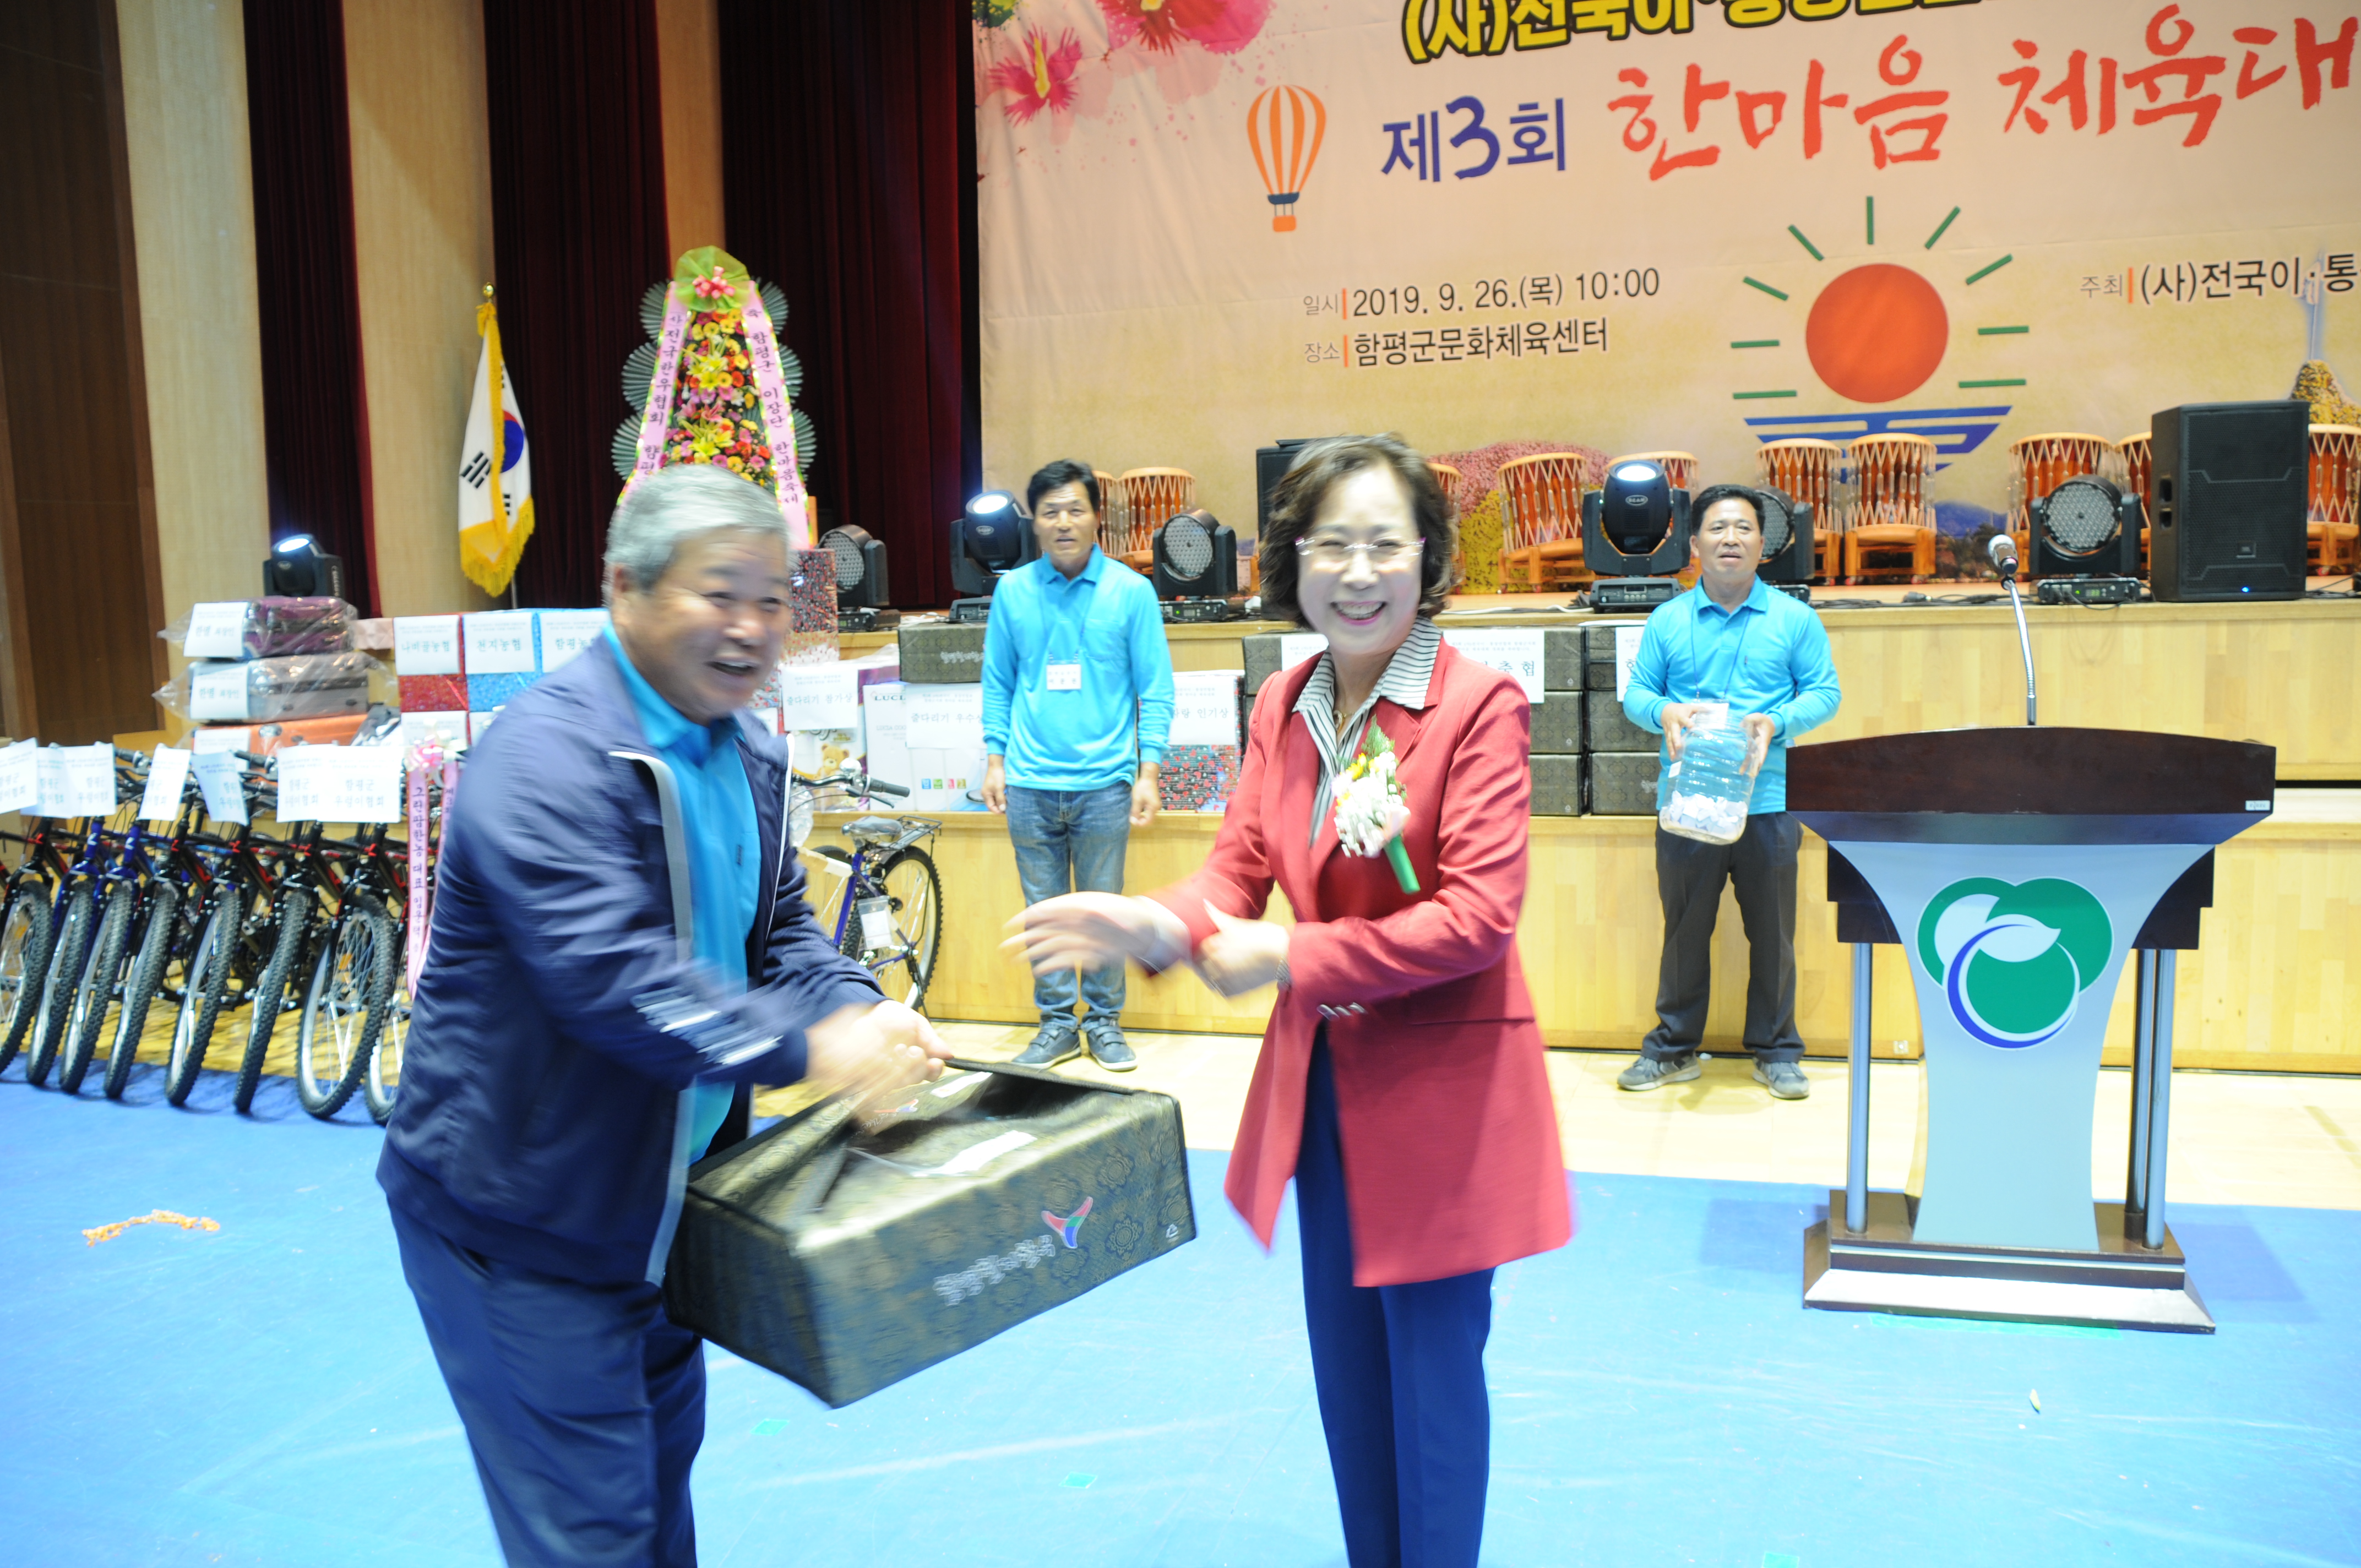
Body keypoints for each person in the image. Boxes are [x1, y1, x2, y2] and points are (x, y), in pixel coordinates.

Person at [1004, 435, 1570, 1568]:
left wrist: (1288, 954)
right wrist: (1157, 921)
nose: (1357, 574)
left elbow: (1477, 917)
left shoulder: (1478, 704)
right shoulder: (1284, 696)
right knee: (1350, 1381)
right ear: (1289, 559)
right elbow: (1234, 871)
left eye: (1383, 545)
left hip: (1443, 1102)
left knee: (1433, 1392)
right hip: (1323, 1100)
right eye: (1330, 546)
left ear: (1426, 557)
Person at [379, 464, 952, 1567]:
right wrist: (812, 1046)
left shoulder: (745, 749)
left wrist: (862, 1010)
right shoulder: (541, 757)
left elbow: (777, 932)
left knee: (651, 1505)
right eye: (716, 593)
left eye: (772, 598)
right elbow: (616, 980)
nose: (749, 628)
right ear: (622, 587)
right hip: (524, 1226)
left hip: (660, 1220)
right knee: (592, 1534)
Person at [1617, 482, 1843, 1101]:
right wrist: (1663, 712)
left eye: (1743, 528)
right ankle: (1673, 1046)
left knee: (1772, 934)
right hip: (1686, 802)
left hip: (1766, 801)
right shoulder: (1666, 620)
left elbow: (1825, 692)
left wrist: (1779, 722)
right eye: (1717, 528)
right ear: (1694, 544)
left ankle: (1776, 1051)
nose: (1730, 539)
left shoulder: (1794, 619)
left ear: (1762, 544)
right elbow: (1636, 694)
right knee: (1684, 930)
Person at [981, 459, 1175, 1072]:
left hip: (1104, 786)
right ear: (1033, 523)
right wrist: (994, 760)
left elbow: (1157, 688)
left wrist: (1149, 771)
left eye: (1074, 509)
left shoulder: (1131, 592)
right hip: (1029, 783)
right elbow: (996, 684)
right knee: (1044, 917)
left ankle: (1106, 1025)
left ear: (1097, 517)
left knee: (1101, 912)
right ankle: (1058, 1025)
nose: (1063, 522)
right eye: (1050, 511)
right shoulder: (1012, 592)